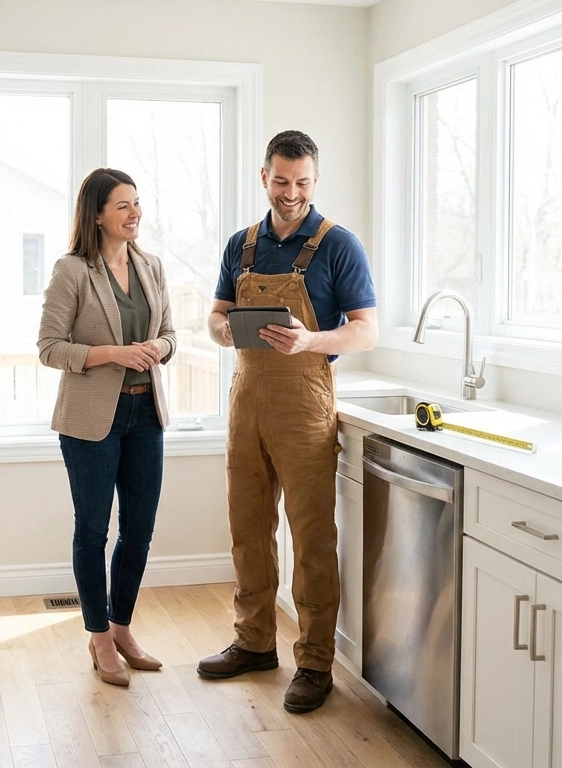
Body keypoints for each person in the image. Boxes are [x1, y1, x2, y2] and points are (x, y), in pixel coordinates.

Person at [197, 131, 377, 712]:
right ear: (264, 177)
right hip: (246, 402)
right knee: (248, 529)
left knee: (311, 537)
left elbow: (366, 329)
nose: (291, 193)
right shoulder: (241, 245)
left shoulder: (338, 245)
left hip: (303, 407)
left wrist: (310, 340)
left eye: (301, 182)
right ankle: (253, 643)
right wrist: (223, 329)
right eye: (281, 181)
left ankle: (315, 662)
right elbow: (216, 316)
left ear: (315, 180)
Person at [37, 168, 177, 687]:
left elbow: (169, 335)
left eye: (137, 203)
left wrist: (156, 349)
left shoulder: (152, 266)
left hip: (146, 415)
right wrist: (115, 354)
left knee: (138, 529)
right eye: (122, 205)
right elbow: (49, 348)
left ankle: (122, 628)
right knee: (93, 530)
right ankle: (97, 635)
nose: (134, 212)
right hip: (91, 419)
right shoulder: (72, 271)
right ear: (97, 214)